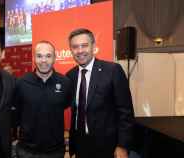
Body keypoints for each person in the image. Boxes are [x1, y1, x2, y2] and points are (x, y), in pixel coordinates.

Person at [66, 28, 134, 158]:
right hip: (81, 145)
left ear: (93, 46)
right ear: (71, 50)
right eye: (75, 47)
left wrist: (122, 145)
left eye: (84, 45)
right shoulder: (70, 76)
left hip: (109, 147)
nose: (80, 51)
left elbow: (126, 112)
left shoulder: (113, 71)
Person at [14, 41, 72, 158]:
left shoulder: (65, 83)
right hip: (26, 151)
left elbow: (65, 104)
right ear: (34, 58)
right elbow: (17, 111)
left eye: (48, 56)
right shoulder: (21, 83)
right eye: (39, 56)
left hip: (55, 151)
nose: (44, 60)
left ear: (54, 58)